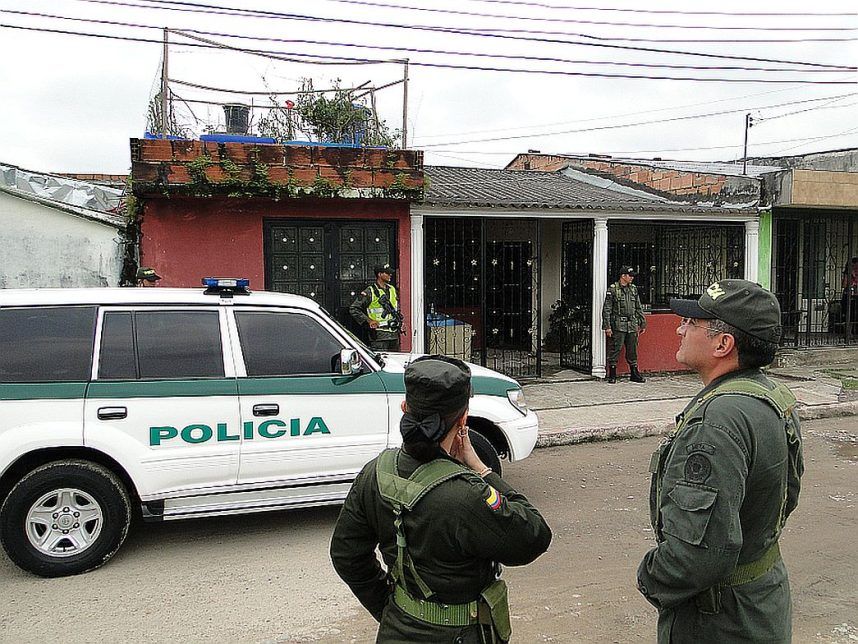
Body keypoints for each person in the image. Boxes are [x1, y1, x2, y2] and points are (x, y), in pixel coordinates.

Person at [330, 355, 552, 643]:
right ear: (463, 419)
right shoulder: (466, 494)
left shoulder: (374, 473)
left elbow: (346, 556)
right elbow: (535, 535)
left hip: (396, 631)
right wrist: (483, 470)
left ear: (405, 409)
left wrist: (391, 608)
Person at [637, 279, 804, 644]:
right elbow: (786, 497)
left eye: (692, 323)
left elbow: (697, 558)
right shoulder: (769, 396)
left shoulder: (717, 421)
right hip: (761, 600)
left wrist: (649, 577)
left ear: (723, 344)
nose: (680, 328)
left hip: (720, 622)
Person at [601, 266, 647, 383]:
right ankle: (612, 373)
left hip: (631, 324)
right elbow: (607, 309)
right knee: (616, 348)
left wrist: (642, 322)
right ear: (623, 276)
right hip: (618, 324)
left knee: (632, 349)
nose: (632, 278)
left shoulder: (633, 289)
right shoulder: (613, 289)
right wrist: (607, 327)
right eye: (629, 275)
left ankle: (634, 372)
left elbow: (638, 306)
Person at [350, 263, 402, 352]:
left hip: (393, 334)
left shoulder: (392, 289)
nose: (390, 275)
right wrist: (369, 321)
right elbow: (354, 309)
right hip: (379, 336)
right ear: (379, 274)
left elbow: (396, 307)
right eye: (387, 273)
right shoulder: (370, 291)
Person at [841, 257, 858, 336]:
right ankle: (848, 333)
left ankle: (854, 331)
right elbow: (844, 285)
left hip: (856, 295)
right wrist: (849, 275)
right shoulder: (847, 273)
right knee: (848, 314)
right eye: (853, 265)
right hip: (848, 295)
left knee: (855, 314)